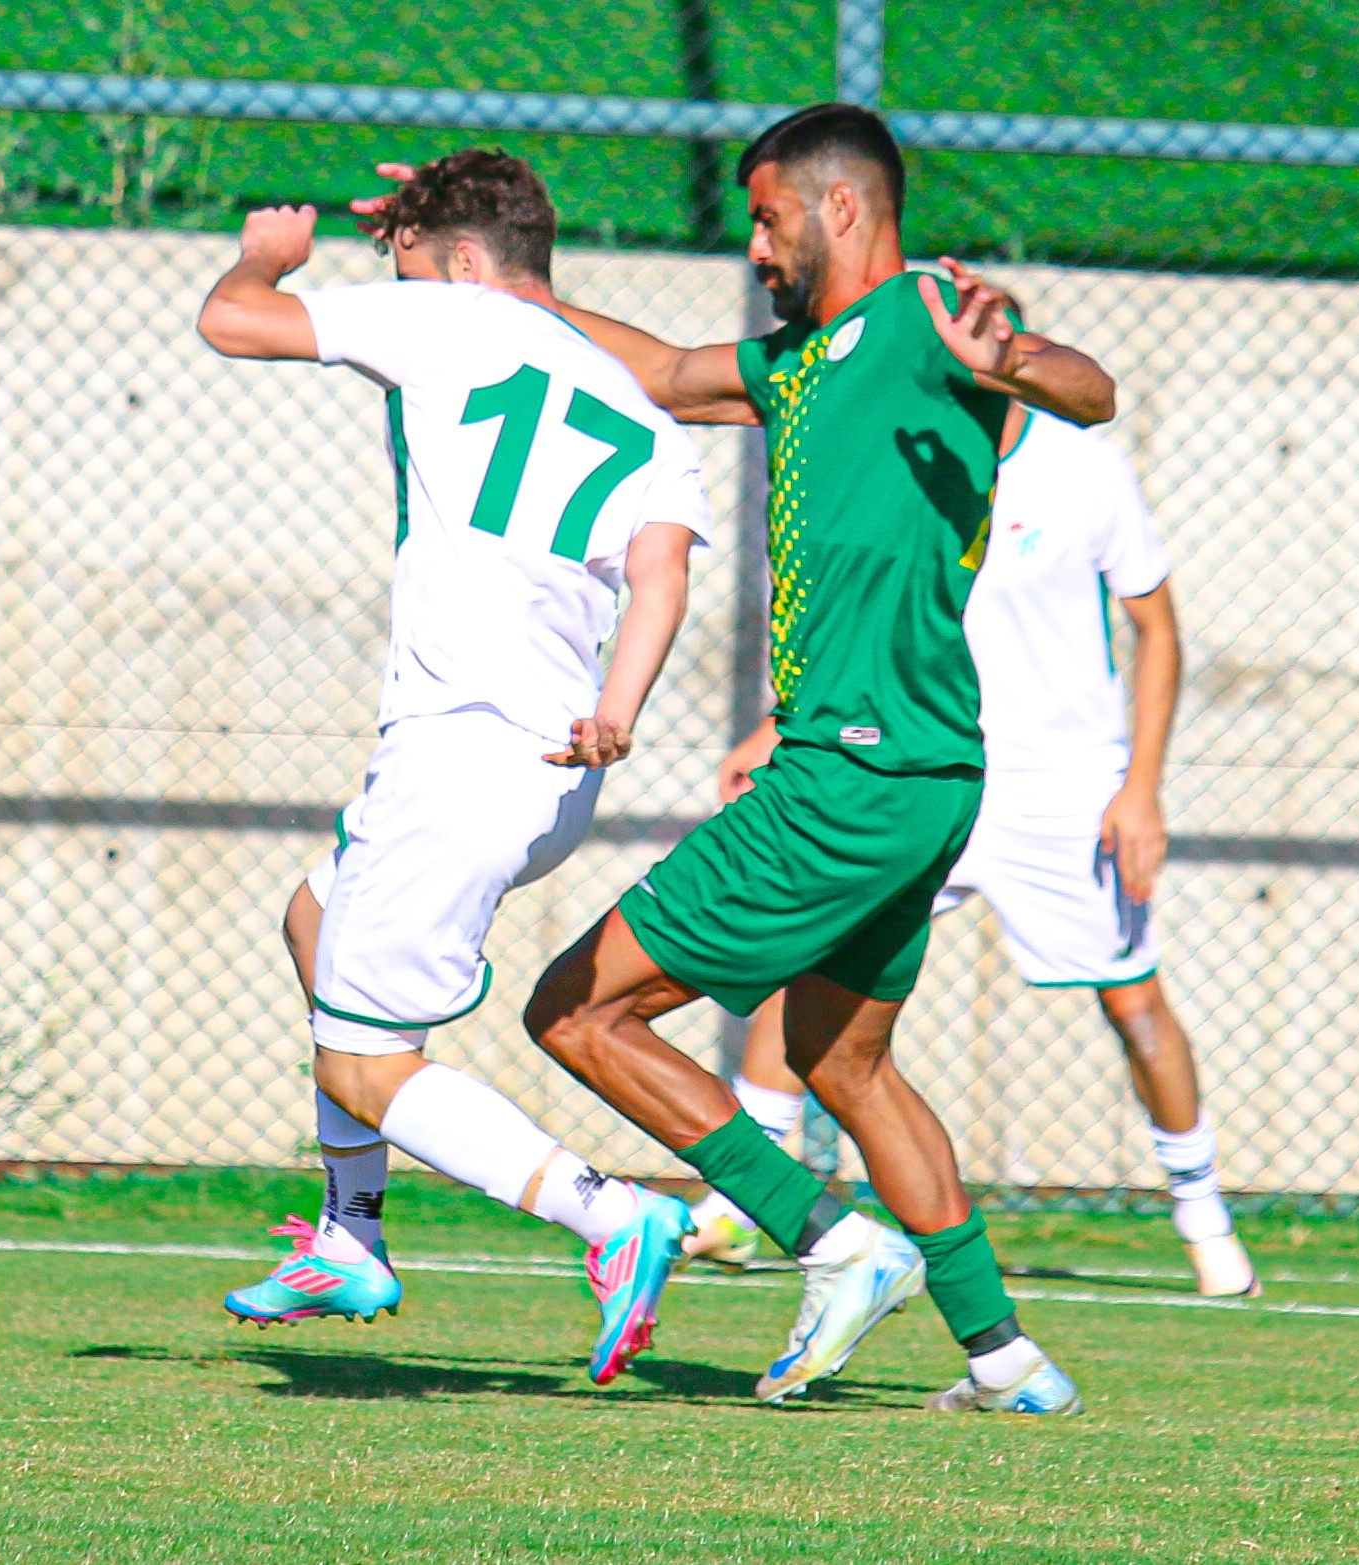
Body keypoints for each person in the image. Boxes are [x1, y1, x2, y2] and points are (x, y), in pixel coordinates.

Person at [520, 102, 1116, 1413]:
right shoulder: (802, 359)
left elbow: (1090, 388)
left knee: (574, 1008)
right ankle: (1006, 1356)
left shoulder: (921, 322)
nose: (755, 239)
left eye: (770, 212)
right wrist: (513, 300)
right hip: (923, 774)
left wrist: (1008, 356)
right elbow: (670, 374)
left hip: (846, 778)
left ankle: (833, 1239)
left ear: (842, 207)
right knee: (845, 1063)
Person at [195, 149, 713, 1385]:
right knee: (316, 916)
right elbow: (661, 571)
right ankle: (349, 1236)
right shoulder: (638, 408)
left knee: (365, 1061)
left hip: (460, 752)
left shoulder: (452, 318)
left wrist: (274, 248)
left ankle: (610, 1213)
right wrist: (618, 709)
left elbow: (234, 320)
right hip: (549, 761)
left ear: (467, 266)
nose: (401, 279)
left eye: (412, 258)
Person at [684, 396, 1260, 1299]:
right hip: (924, 765)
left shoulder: (1084, 468)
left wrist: (1140, 785)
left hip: (1065, 788)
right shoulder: (901, 457)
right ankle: (736, 1203)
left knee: (1135, 1001)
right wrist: (776, 727)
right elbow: (863, 618)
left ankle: (1203, 1213)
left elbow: (1158, 628)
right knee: (811, 954)